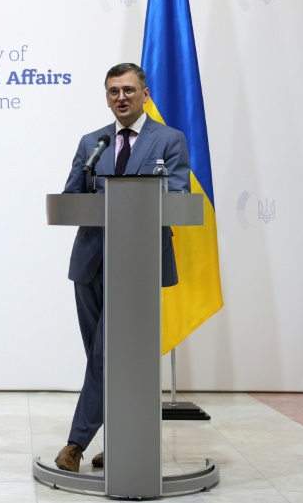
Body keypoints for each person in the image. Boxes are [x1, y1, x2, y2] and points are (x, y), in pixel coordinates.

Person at [54, 63, 190, 472]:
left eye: (129, 90)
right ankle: (120, 442)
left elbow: (177, 195)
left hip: (138, 265)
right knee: (103, 357)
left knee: (106, 355)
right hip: (90, 263)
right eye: (113, 91)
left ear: (145, 94)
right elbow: (71, 196)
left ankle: (75, 444)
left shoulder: (169, 139)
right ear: (107, 97)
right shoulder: (92, 142)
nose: (121, 97)